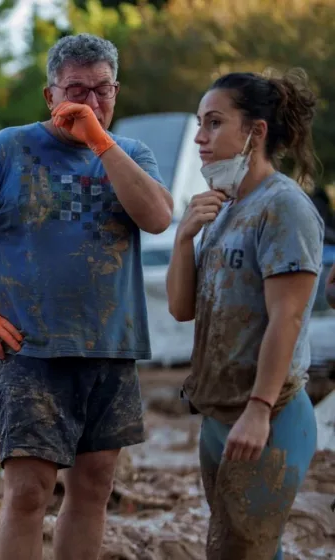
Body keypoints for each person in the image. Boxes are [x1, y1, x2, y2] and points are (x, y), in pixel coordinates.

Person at [0, 33, 173, 560]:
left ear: (116, 92)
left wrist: (102, 142)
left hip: (111, 346)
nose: (88, 103)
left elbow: (158, 217)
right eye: (75, 89)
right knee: (29, 491)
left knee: (94, 487)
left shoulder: (132, 154)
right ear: (50, 95)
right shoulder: (9, 148)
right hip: (32, 351)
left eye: (101, 90)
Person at [166, 68, 324, 560]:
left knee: (245, 552)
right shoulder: (223, 208)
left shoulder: (284, 208)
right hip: (219, 415)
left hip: (269, 415)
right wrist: (183, 237)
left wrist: (258, 410)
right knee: (233, 550)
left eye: (214, 123)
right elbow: (181, 308)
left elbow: (288, 318)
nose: (199, 137)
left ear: (255, 132)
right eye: (200, 123)